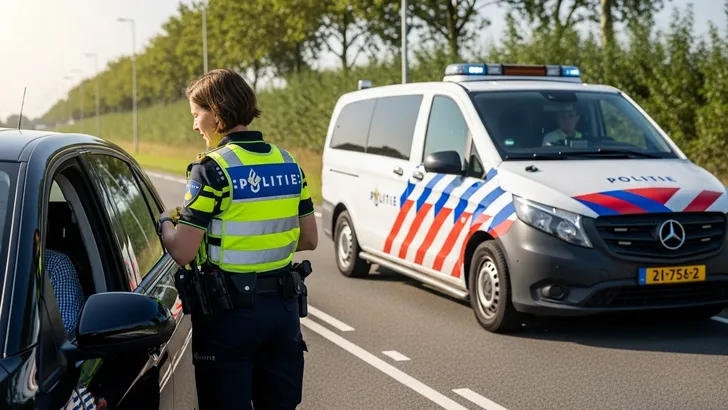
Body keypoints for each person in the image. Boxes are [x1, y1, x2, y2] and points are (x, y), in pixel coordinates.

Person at [157, 68, 318, 410]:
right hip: (282, 312)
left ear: (216, 112)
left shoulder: (211, 169)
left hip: (228, 317)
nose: (195, 124)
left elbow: (184, 252)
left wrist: (164, 224)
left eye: (196, 114)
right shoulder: (289, 163)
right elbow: (309, 239)